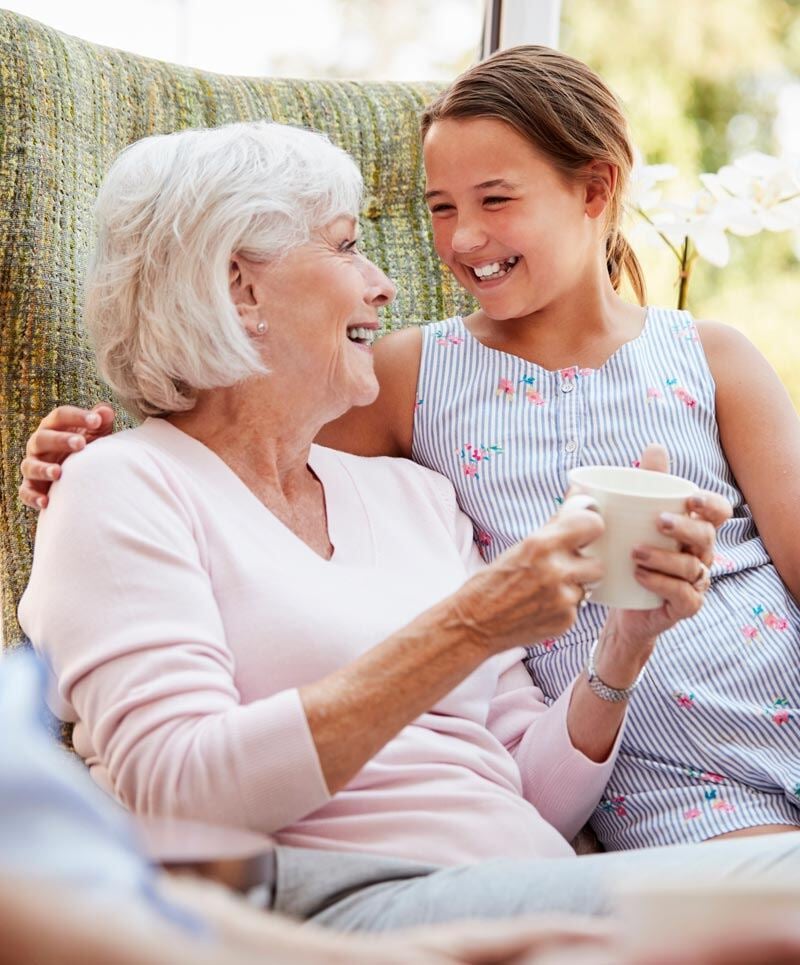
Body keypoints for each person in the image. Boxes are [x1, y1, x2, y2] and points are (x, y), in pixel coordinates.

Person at [16, 119, 800, 933]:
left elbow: (533, 790)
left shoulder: (412, 495)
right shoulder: (119, 484)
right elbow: (178, 790)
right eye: (347, 246)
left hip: (523, 883)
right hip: (343, 897)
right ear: (240, 287)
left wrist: (624, 645)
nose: (384, 284)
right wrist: (469, 625)